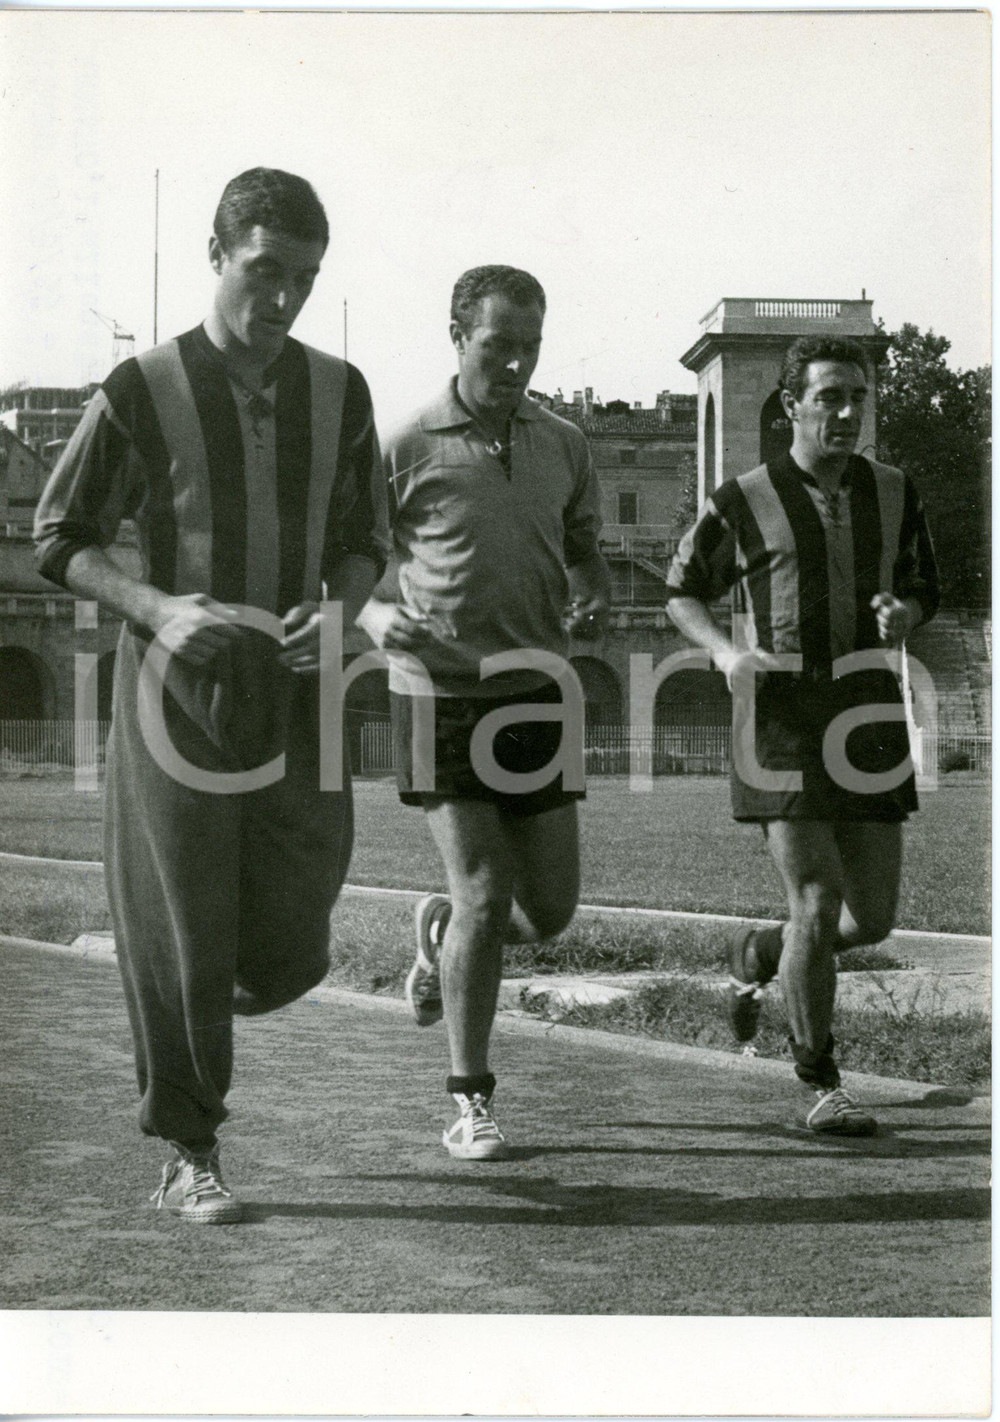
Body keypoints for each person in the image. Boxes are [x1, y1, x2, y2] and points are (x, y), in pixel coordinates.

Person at [34, 168, 388, 1221]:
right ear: (217, 256)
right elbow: (62, 537)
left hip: (297, 688)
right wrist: (156, 606)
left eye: (304, 279)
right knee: (179, 927)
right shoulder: (140, 388)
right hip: (175, 691)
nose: (282, 299)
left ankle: (209, 1015)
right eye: (264, 272)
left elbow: (366, 540)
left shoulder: (343, 389)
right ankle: (190, 1145)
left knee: (290, 942)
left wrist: (341, 609)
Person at [358, 265, 610, 1159]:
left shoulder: (567, 444)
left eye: (530, 347)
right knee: (483, 888)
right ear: (458, 335)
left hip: (538, 690)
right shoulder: (404, 442)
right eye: (499, 344)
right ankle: (470, 1098)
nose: (516, 364)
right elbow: (348, 570)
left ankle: (437, 941)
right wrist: (379, 613)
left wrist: (590, 590)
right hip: (440, 692)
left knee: (549, 913)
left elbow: (585, 551)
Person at [666, 335, 939, 1137]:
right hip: (779, 713)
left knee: (874, 917)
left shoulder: (895, 491)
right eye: (831, 398)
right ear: (792, 406)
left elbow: (925, 583)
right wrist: (722, 652)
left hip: (867, 708)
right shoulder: (742, 497)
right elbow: (682, 590)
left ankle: (760, 956)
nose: (849, 412)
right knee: (816, 901)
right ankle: (821, 1080)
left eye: (859, 396)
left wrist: (906, 613)